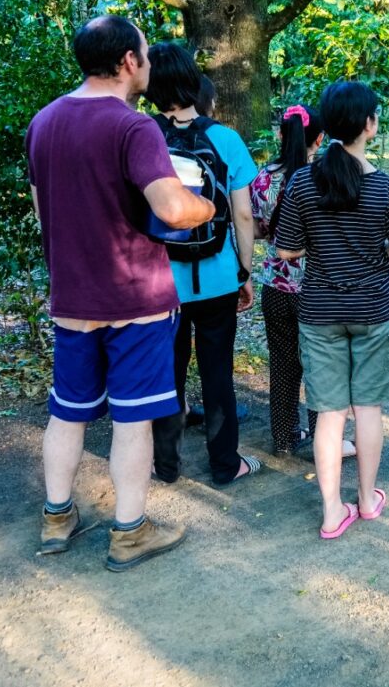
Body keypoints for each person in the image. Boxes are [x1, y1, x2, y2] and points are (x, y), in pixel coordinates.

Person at [27, 15, 214, 570]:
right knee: (132, 418)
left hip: (73, 299)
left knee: (68, 413)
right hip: (135, 299)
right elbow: (174, 209)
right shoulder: (133, 128)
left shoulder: (43, 122)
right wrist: (206, 206)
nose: (149, 65)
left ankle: (56, 518)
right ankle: (130, 531)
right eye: (146, 55)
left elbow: (46, 216)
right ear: (129, 62)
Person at [274, 81, 389, 539]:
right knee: (367, 409)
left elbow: (288, 251)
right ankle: (368, 499)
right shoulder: (386, 189)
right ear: (369, 125)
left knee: (330, 414)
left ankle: (333, 510)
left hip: (319, 312)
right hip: (375, 310)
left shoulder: (300, 182)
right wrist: (377, 246)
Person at [145, 42, 262, 486]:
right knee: (218, 374)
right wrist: (243, 271)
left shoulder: (142, 135)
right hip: (217, 276)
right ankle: (224, 464)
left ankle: (166, 466)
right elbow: (244, 214)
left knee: (167, 373)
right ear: (194, 81)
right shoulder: (224, 138)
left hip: (160, 281)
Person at [250, 104, 356, 458]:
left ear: (281, 134)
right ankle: (321, 440)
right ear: (320, 138)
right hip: (319, 287)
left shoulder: (265, 177)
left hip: (277, 287)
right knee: (321, 366)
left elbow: (260, 228)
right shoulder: (329, 176)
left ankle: (283, 440)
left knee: (282, 366)